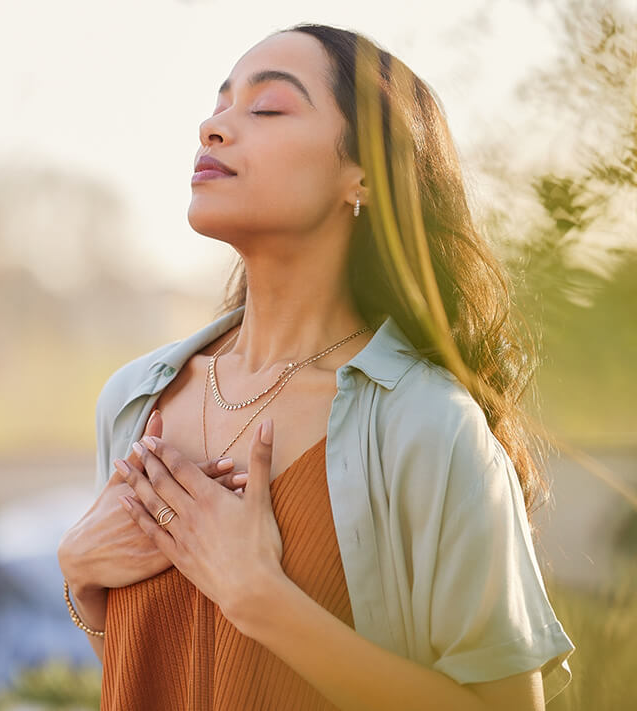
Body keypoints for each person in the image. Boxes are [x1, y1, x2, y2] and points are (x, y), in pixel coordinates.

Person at [55, 23, 576, 710]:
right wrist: (81, 583)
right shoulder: (131, 400)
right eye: (219, 105)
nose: (213, 127)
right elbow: (154, 669)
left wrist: (262, 598)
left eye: (266, 107)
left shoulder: (429, 425)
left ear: (362, 175)